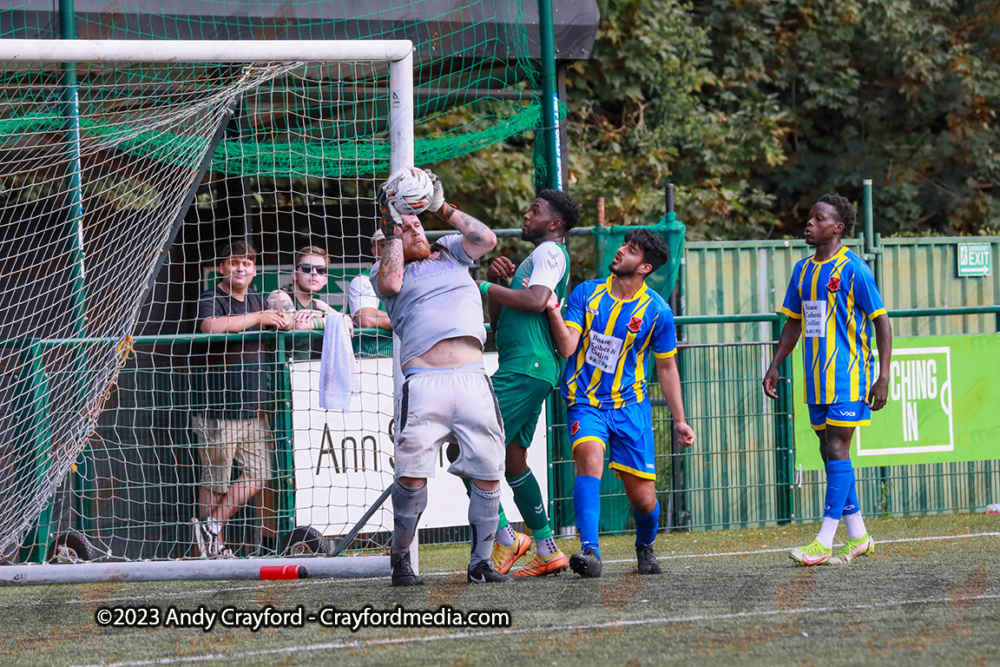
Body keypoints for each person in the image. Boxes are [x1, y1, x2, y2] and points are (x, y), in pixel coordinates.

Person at [371, 168, 511, 586]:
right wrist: (393, 224)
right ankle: (400, 559)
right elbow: (392, 278)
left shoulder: (451, 251)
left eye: (418, 224)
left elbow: (486, 240)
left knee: (489, 472)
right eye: (406, 226)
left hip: (472, 379)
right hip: (425, 384)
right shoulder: (388, 274)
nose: (415, 229)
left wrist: (439, 206)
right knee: (411, 479)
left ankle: (481, 563)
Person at [546, 228, 696, 578]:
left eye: (630, 251)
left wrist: (680, 419)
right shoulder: (586, 293)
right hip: (585, 402)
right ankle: (591, 552)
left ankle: (645, 546)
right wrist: (554, 310)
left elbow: (667, 365)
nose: (619, 252)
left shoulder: (657, 312)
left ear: (644, 268)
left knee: (644, 501)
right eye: (623, 245)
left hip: (631, 407)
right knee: (588, 455)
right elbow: (568, 347)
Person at [764, 193, 892, 566]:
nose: (809, 223)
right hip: (815, 378)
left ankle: (824, 540)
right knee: (827, 450)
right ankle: (859, 536)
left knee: (836, 449)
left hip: (848, 376)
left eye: (818, 219)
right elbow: (793, 322)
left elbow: (881, 320)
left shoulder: (854, 268)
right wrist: (775, 364)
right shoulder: (802, 271)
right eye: (809, 218)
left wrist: (884, 375)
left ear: (837, 228)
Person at [476, 190, 579, 577]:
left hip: (526, 367)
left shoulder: (550, 253)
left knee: (465, 447)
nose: (525, 213)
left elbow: (537, 301)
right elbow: (503, 318)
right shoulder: (534, 258)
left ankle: (507, 538)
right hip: (530, 367)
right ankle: (548, 548)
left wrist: (482, 287)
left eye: (535, 210)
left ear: (554, 224)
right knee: (514, 460)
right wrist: (495, 281)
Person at [192, 240, 292, 558]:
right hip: (217, 410)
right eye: (234, 262)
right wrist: (260, 317)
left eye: (247, 263)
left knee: (260, 474)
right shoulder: (212, 296)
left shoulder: (259, 301)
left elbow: (283, 323)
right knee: (215, 482)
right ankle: (209, 548)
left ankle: (212, 525)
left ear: (254, 270)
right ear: (222, 268)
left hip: (254, 410)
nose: (240, 268)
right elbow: (211, 326)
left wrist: (286, 320)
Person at [266, 245, 335, 360]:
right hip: (279, 374)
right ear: (294, 274)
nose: (314, 273)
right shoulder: (279, 295)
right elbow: (299, 324)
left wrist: (320, 315)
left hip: (304, 372)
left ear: (325, 279)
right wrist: (329, 320)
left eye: (320, 270)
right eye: (307, 268)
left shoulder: (317, 304)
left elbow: (346, 321)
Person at [347, 230, 394, 358]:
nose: (391, 249)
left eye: (395, 244)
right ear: (374, 250)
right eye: (384, 244)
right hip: (371, 360)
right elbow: (366, 319)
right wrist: (409, 320)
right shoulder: (362, 280)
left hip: (407, 358)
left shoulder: (411, 277)